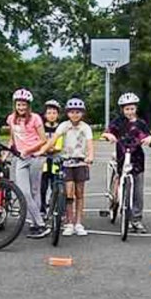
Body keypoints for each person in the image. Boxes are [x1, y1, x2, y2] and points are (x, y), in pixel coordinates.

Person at [103, 91, 151, 232]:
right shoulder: (118, 122)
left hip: (137, 159)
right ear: (122, 110)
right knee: (121, 179)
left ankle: (136, 219)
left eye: (132, 108)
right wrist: (109, 135)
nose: (130, 112)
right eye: (127, 109)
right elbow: (108, 131)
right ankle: (116, 200)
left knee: (138, 190)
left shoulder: (141, 123)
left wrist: (149, 139)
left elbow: (148, 135)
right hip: (122, 157)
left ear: (136, 108)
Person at [6, 89, 50, 239]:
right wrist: (6, 154)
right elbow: (12, 140)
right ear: (15, 105)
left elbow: (43, 140)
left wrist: (29, 150)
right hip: (21, 158)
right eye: (19, 105)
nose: (21, 107)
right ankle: (40, 223)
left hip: (35, 157)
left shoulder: (35, 118)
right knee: (24, 192)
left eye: (24, 105)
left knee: (34, 191)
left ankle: (35, 223)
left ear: (29, 105)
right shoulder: (11, 119)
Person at [56, 97, 94, 236]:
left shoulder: (85, 127)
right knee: (69, 193)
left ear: (82, 113)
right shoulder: (64, 126)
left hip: (81, 162)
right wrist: (43, 150)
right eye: (72, 112)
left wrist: (90, 156)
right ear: (68, 113)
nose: (75, 114)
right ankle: (69, 222)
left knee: (80, 193)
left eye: (78, 112)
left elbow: (90, 144)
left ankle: (78, 223)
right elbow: (54, 139)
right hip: (67, 162)